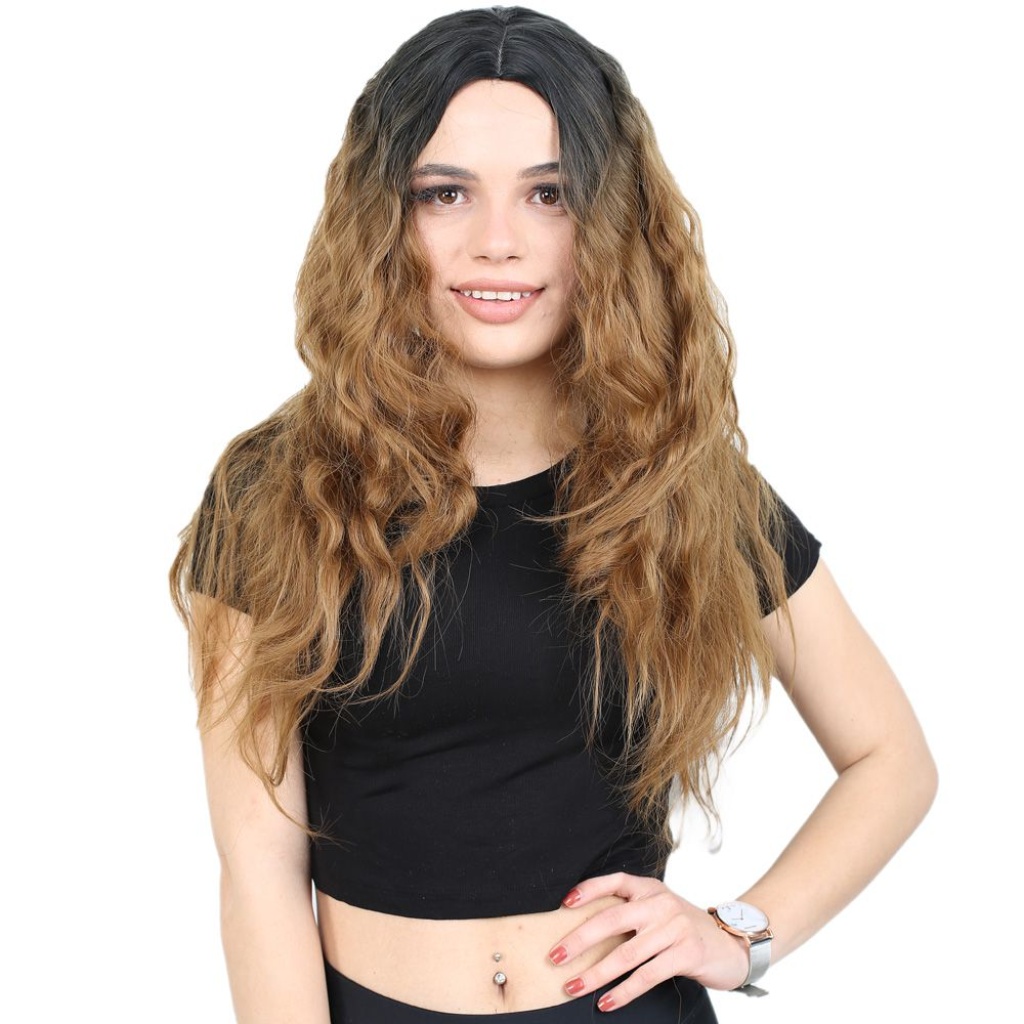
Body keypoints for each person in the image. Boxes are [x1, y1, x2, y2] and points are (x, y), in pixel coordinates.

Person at [170, 7, 937, 1022]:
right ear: (384, 220)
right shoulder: (277, 492)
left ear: (608, 223)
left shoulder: (681, 484)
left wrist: (739, 932)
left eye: (550, 194)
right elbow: (259, 872)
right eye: (445, 193)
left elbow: (891, 761)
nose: (498, 242)